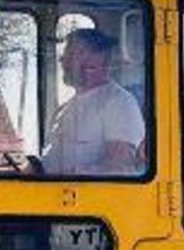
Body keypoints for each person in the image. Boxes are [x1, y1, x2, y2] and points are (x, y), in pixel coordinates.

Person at [42, 27, 144, 176]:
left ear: (94, 62)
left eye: (70, 55)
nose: (62, 60)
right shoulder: (64, 109)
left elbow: (120, 168)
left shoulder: (119, 103)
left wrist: (64, 178)